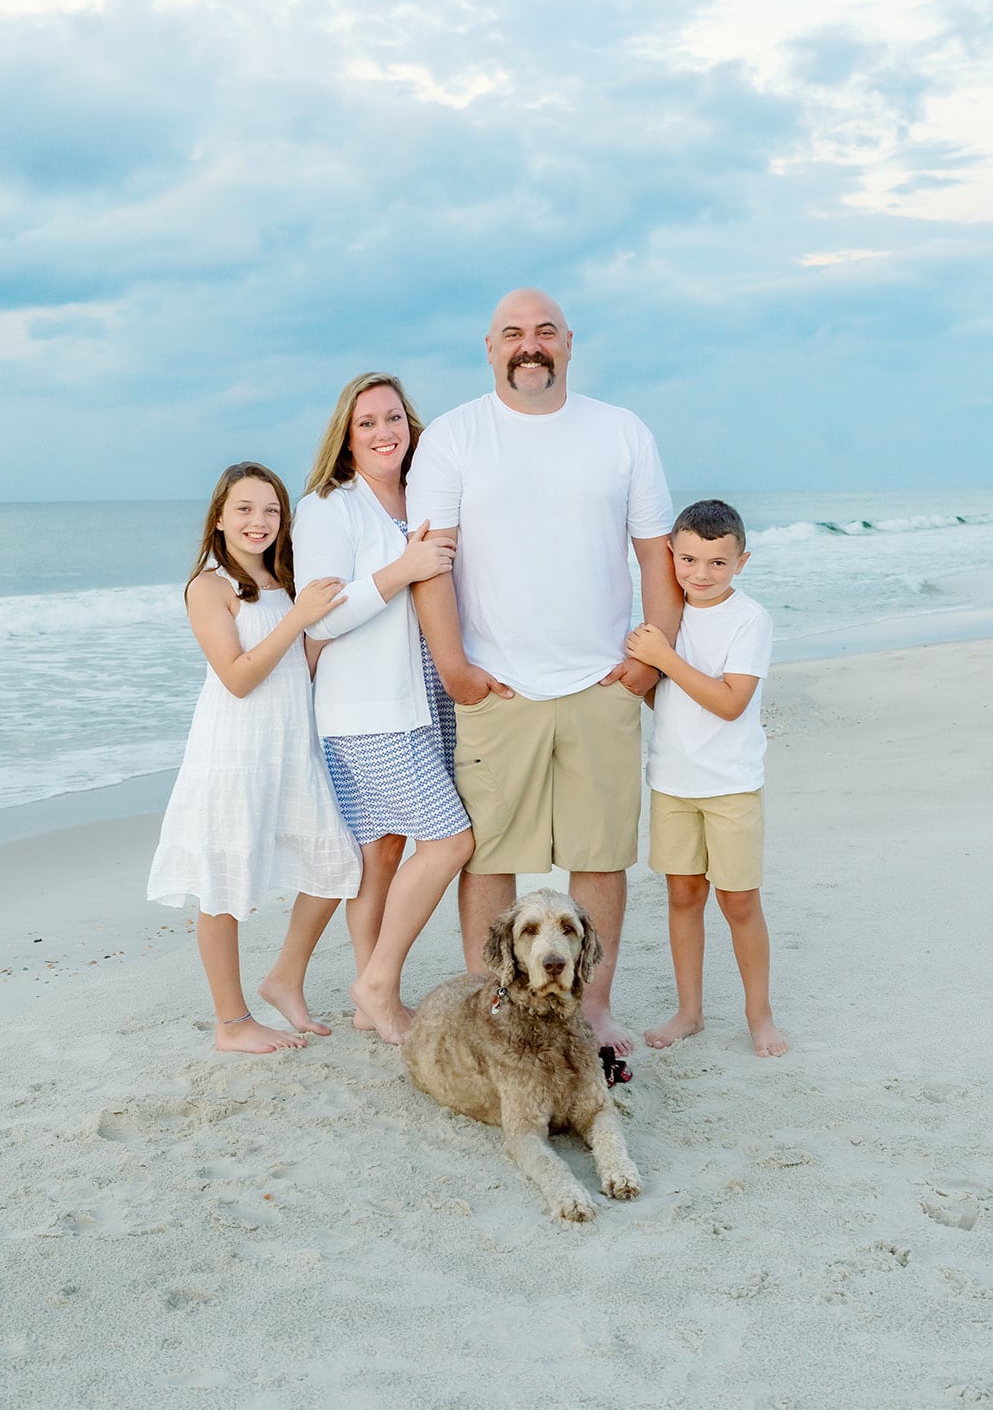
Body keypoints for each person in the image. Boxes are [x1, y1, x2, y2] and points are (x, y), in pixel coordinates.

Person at [406, 287, 681, 1056]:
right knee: (493, 858)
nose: (530, 345)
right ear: (489, 348)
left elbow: (654, 551)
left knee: (598, 855)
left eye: (544, 332)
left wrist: (645, 661)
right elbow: (433, 561)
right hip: (498, 689)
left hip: (601, 684)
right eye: (513, 334)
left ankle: (590, 1012)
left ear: (568, 343)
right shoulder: (456, 437)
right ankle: (493, 1010)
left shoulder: (620, 432)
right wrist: (454, 668)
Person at [272, 374, 474, 1045]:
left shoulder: (423, 495)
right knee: (449, 841)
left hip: (422, 697)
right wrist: (403, 568)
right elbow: (320, 620)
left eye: (394, 418)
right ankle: (379, 982)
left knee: (380, 851)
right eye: (367, 423)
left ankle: (368, 1002)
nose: (384, 432)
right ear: (346, 438)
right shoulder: (329, 507)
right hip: (368, 711)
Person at [147, 462, 362, 1055]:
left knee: (336, 865)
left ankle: (284, 979)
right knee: (225, 887)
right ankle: (232, 1022)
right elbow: (238, 678)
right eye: (243, 509)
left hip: (293, 748)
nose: (258, 521)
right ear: (220, 518)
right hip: (234, 754)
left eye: (270, 509)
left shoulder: (290, 581)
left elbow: (304, 665)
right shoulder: (209, 588)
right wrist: (299, 619)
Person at [626, 498, 788, 1057]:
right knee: (683, 895)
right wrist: (644, 665)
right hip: (672, 782)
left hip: (731, 786)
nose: (700, 574)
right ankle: (689, 1011)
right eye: (689, 559)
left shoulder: (750, 619)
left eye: (717, 563)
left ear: (742, 561)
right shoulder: (667, 618)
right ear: (669, 554)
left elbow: (727, 703)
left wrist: (663, 659)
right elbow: (661, 698)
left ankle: (759, 1014)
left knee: (739, 901)